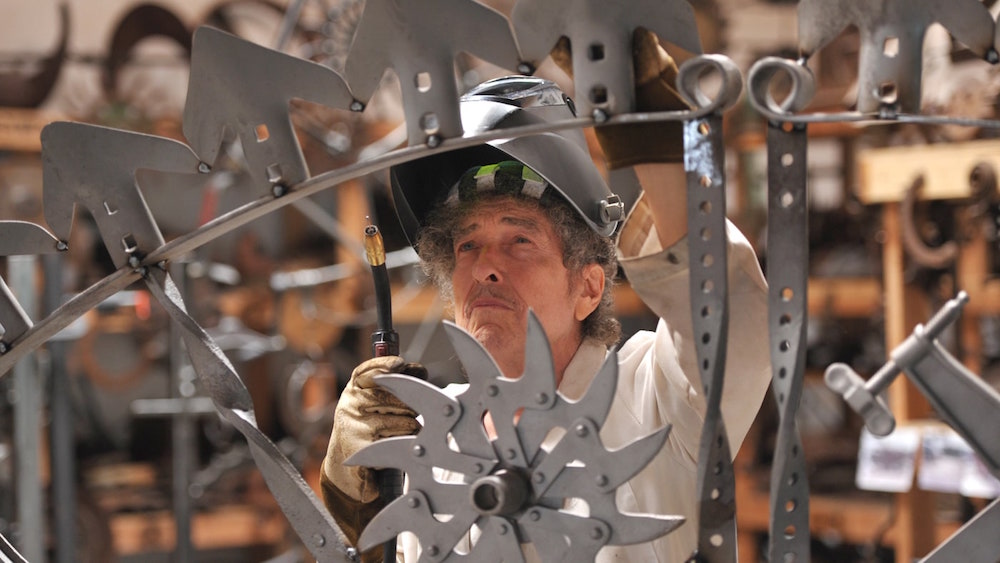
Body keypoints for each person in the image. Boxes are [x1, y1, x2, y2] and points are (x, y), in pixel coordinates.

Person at [320, 31, 771, 562]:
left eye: (520, 240)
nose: (485, 267)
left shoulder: (654, 398)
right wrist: (360, 506)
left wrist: (649, 123)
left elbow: (727, 314)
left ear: (589, 287)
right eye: (468, 246)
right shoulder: (431, 437)